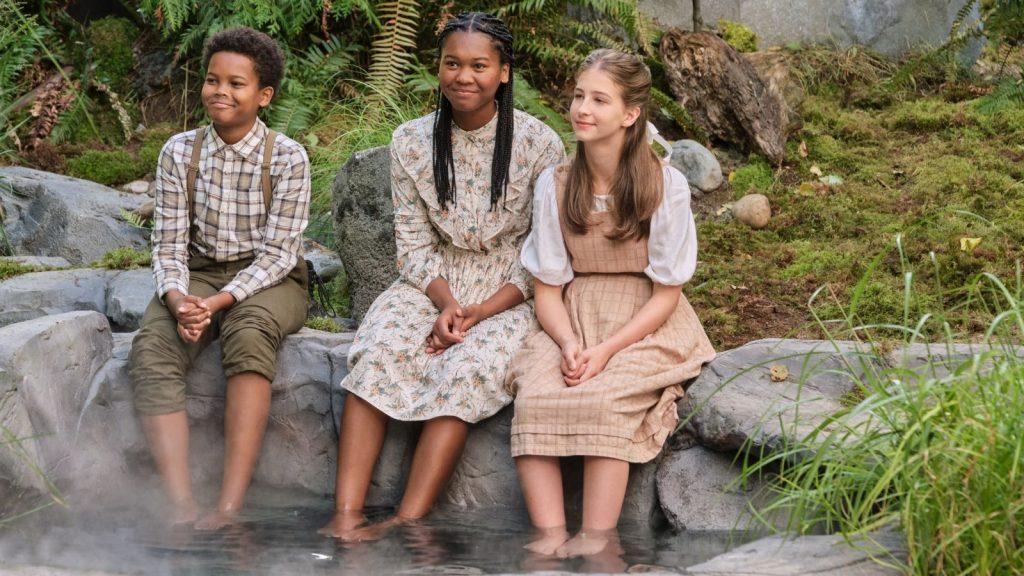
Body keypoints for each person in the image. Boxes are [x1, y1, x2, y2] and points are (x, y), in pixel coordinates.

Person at [319, 12, 565, 541]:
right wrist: (446, 303)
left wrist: (479, 312)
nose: (463, 76)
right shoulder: (410, 141)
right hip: (433, 281)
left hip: (511, 291)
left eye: (479, 65)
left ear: (503, 71)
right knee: (377, 348)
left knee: (468, 368)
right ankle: (344, 516)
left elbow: (542, 251)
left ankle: (406, 521)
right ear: (438, 68)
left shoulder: (540, 144)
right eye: (452, 63)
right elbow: (412, 246)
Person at [507, 49, 716, 557]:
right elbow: (548, 289)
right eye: (580, 96)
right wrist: (570, 342)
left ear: (630, 114)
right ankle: (549, 539)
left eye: (600, 100)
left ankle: (597, 542)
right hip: (573, 312)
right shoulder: (555, 185)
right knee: (535, 398)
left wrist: (607, 351)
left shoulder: (664, 185)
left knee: (604, 399)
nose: (582, 108)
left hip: (645, 318)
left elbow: (668, 292)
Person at [128, 27, 310, 530]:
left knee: (249, 334)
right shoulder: (179, 152)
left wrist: (219, 305)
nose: (220, 92)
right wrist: (178, 299)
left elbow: (279, 255)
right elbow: (167, 245)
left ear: (264, 95)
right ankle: (181, 505)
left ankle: (229, 508)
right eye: (212, 80)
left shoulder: (288, 157)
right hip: (198, 273)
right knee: (153, 349)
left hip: (272, 281)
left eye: (236, 83)